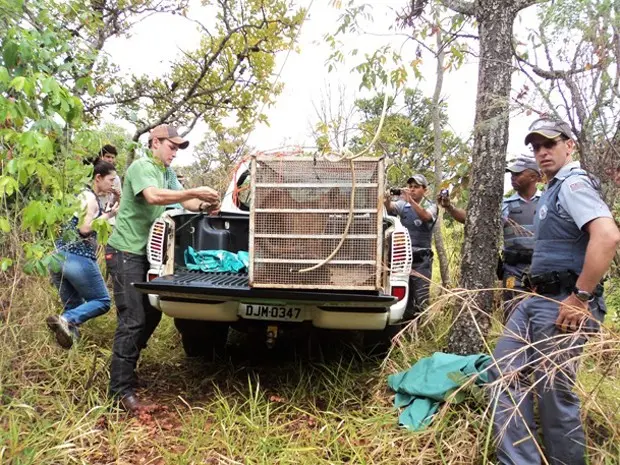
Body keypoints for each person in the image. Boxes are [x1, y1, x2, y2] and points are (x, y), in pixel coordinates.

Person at [490, 118, 620, 465]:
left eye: (549, 144)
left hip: (564, 302)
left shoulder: (574, 184)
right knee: (503, 373)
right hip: (536, 299)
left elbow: (607, 236)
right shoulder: (553, 189)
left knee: (553, 393)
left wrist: (581, 297)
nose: (542, 152)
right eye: (536, 147)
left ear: (569, 145)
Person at [105, 124, 220, 414]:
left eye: (178, 148)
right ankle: (119, 391)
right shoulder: (142, 167)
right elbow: (154, 197)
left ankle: (126, 370)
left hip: (149, 255)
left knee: (153, 312)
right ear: (155, 142)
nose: (175, 153)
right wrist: (192, 191)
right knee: (132, 319)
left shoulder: (168, 173)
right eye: (172, 147)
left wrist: (206, 204)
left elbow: (187, 201)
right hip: (125, 253)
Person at [438, 156, 542, 319]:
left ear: (534, 177)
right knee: (513, 313)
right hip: (514, 270)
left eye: (518, 174)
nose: (513, 178)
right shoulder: (506, 205)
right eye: (511, 175)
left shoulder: (547, 202)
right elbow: (474, 220)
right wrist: (449, 207)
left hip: (542, 269)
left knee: (542, 314)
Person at [47, 161, 120, 348]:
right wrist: (111, 215)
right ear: (98, 178)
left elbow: (94, 219)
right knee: (102, 301)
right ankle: (64, 319)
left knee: (73, 306)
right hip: (77, 258)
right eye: (111, 180)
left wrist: (111, 208)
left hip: (58, 258)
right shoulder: (89, 198)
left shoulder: (83, 195)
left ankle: (71, 353)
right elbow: (85, 228)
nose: (113, 184)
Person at [384, 174, 437, 319]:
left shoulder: (431, 206)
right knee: (404, 298)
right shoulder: (403, 205)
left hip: (422, 260)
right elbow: (390, 208)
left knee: (422, 298)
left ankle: (423, 332)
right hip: (403, 259)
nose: (412, 190)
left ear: (425, 190)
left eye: (416, 187)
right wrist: (387, 199)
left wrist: (411, 201)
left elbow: (426, 217)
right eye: (410, 187)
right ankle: (406, 332)